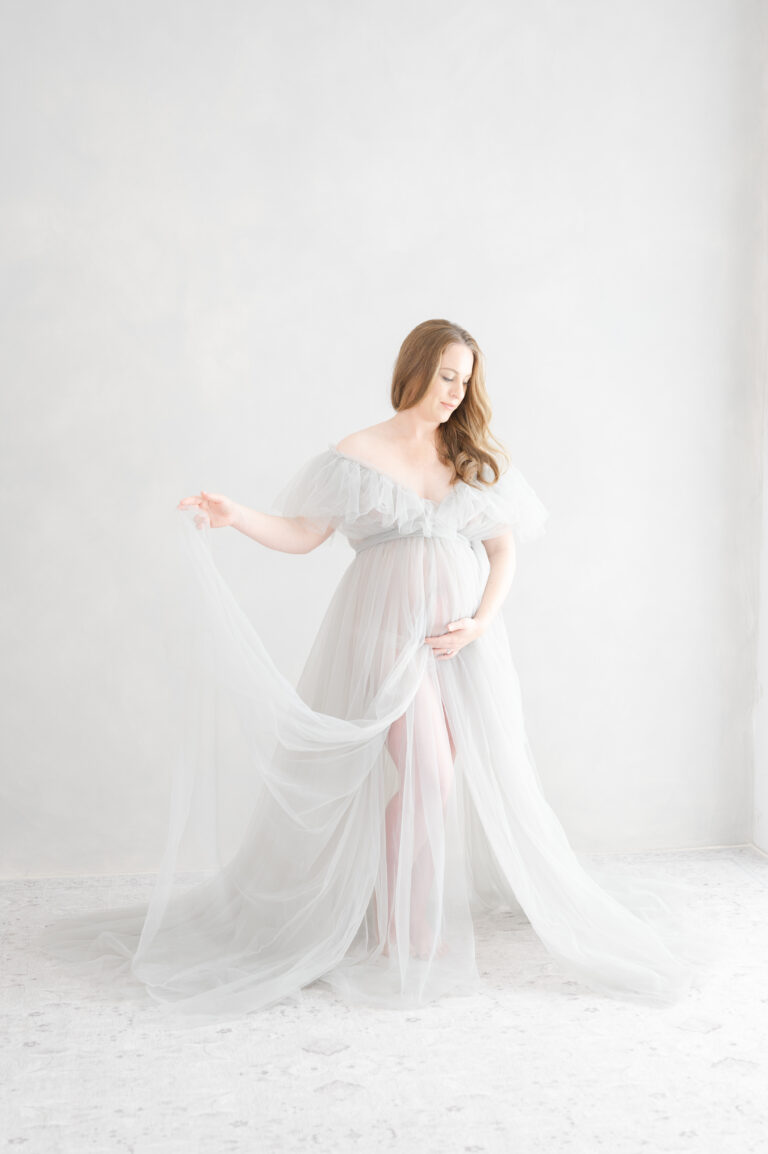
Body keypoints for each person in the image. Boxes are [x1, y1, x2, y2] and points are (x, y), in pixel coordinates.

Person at [38, 318, 709, 1026]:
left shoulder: (468, 453)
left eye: (465, 380)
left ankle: (401, 912)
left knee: (434, 778)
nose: (456, 392)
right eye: (446, 376)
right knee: (427, 774)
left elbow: (502, 551)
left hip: (460, 643)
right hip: (387, 635)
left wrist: (480, 622)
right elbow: (304, 535)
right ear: (414, 369)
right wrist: (237, 516)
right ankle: (405, 929)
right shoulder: (358, 454)